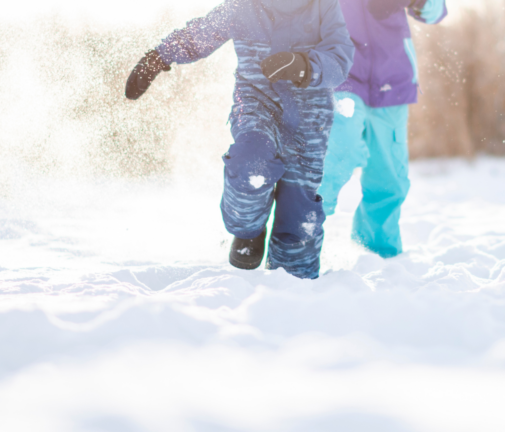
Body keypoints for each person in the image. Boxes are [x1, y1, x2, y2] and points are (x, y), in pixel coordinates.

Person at [125, 0, 354, 279]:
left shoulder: (323, 6)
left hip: (310, 116)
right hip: (257, 104)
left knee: (298, 210)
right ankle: (249, 230)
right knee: (251, 164)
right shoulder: (243, 6)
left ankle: (295, 286)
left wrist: (304, 65)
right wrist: (159, 57)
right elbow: (201, 33)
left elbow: (340, 57)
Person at [318, 0, 447, 258]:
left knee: (388, 174)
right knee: (339, 149)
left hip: (393, 78)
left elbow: (436, 11)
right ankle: (300, 233)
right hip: (341, 72)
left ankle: (378, 253)